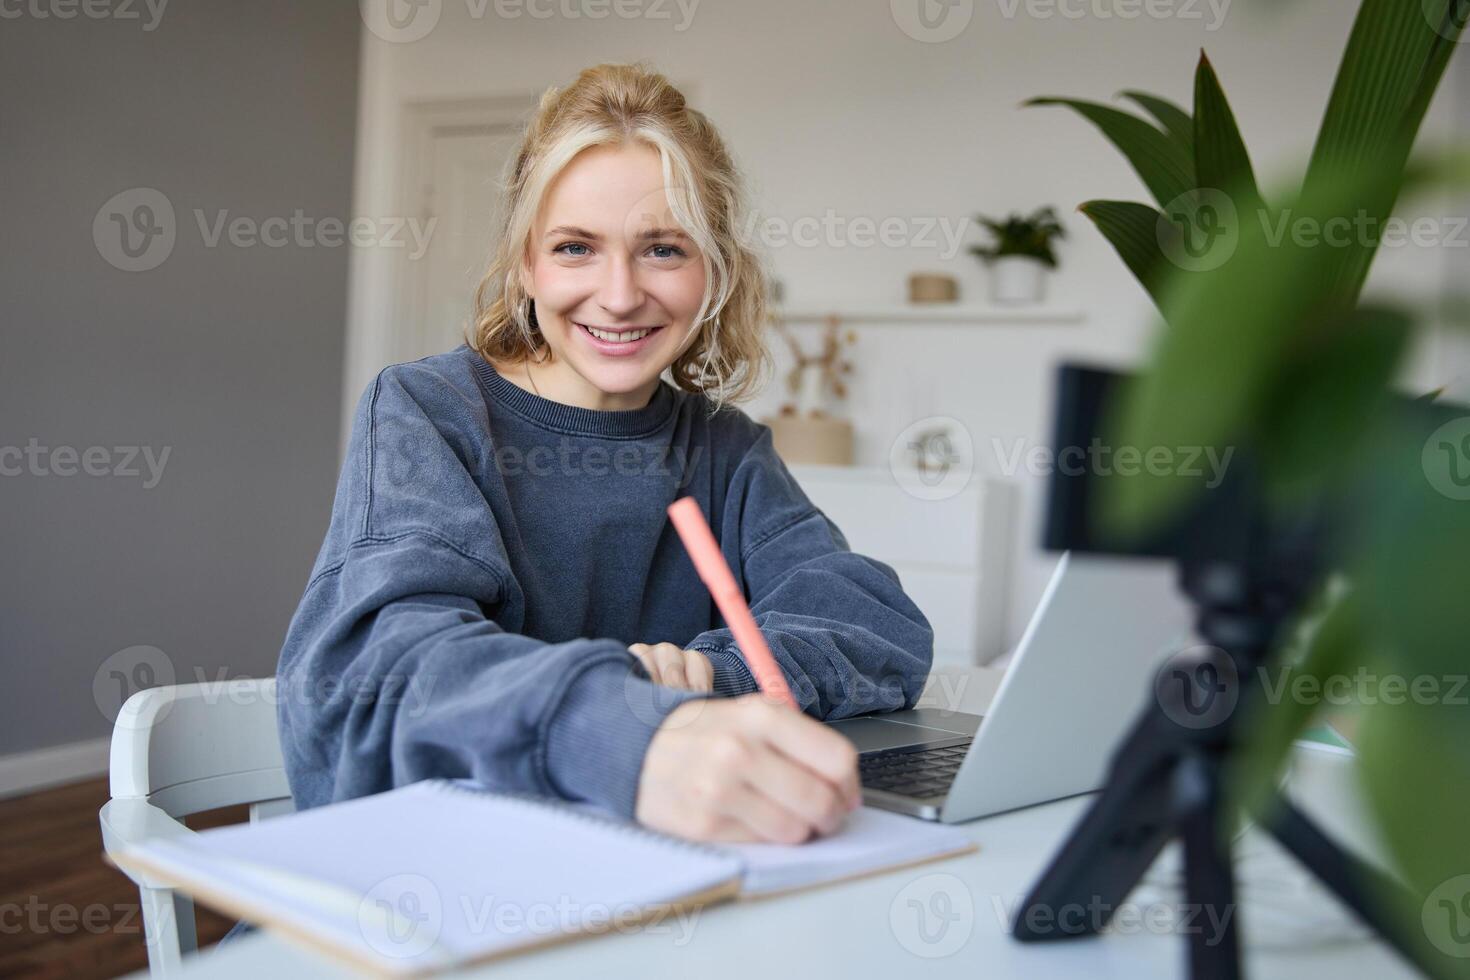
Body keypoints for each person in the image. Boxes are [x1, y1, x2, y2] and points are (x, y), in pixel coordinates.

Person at [275, 62, 934, 850]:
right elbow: (383, 671)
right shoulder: (429, 414)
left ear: (714, 268)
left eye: (662, 249)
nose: (620, 296)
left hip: (647, 878)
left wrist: (712, 675)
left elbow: (876, 627)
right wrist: (630, 723)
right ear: (525, 263)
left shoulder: (724, 448)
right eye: (575, 247)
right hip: (431, 875)